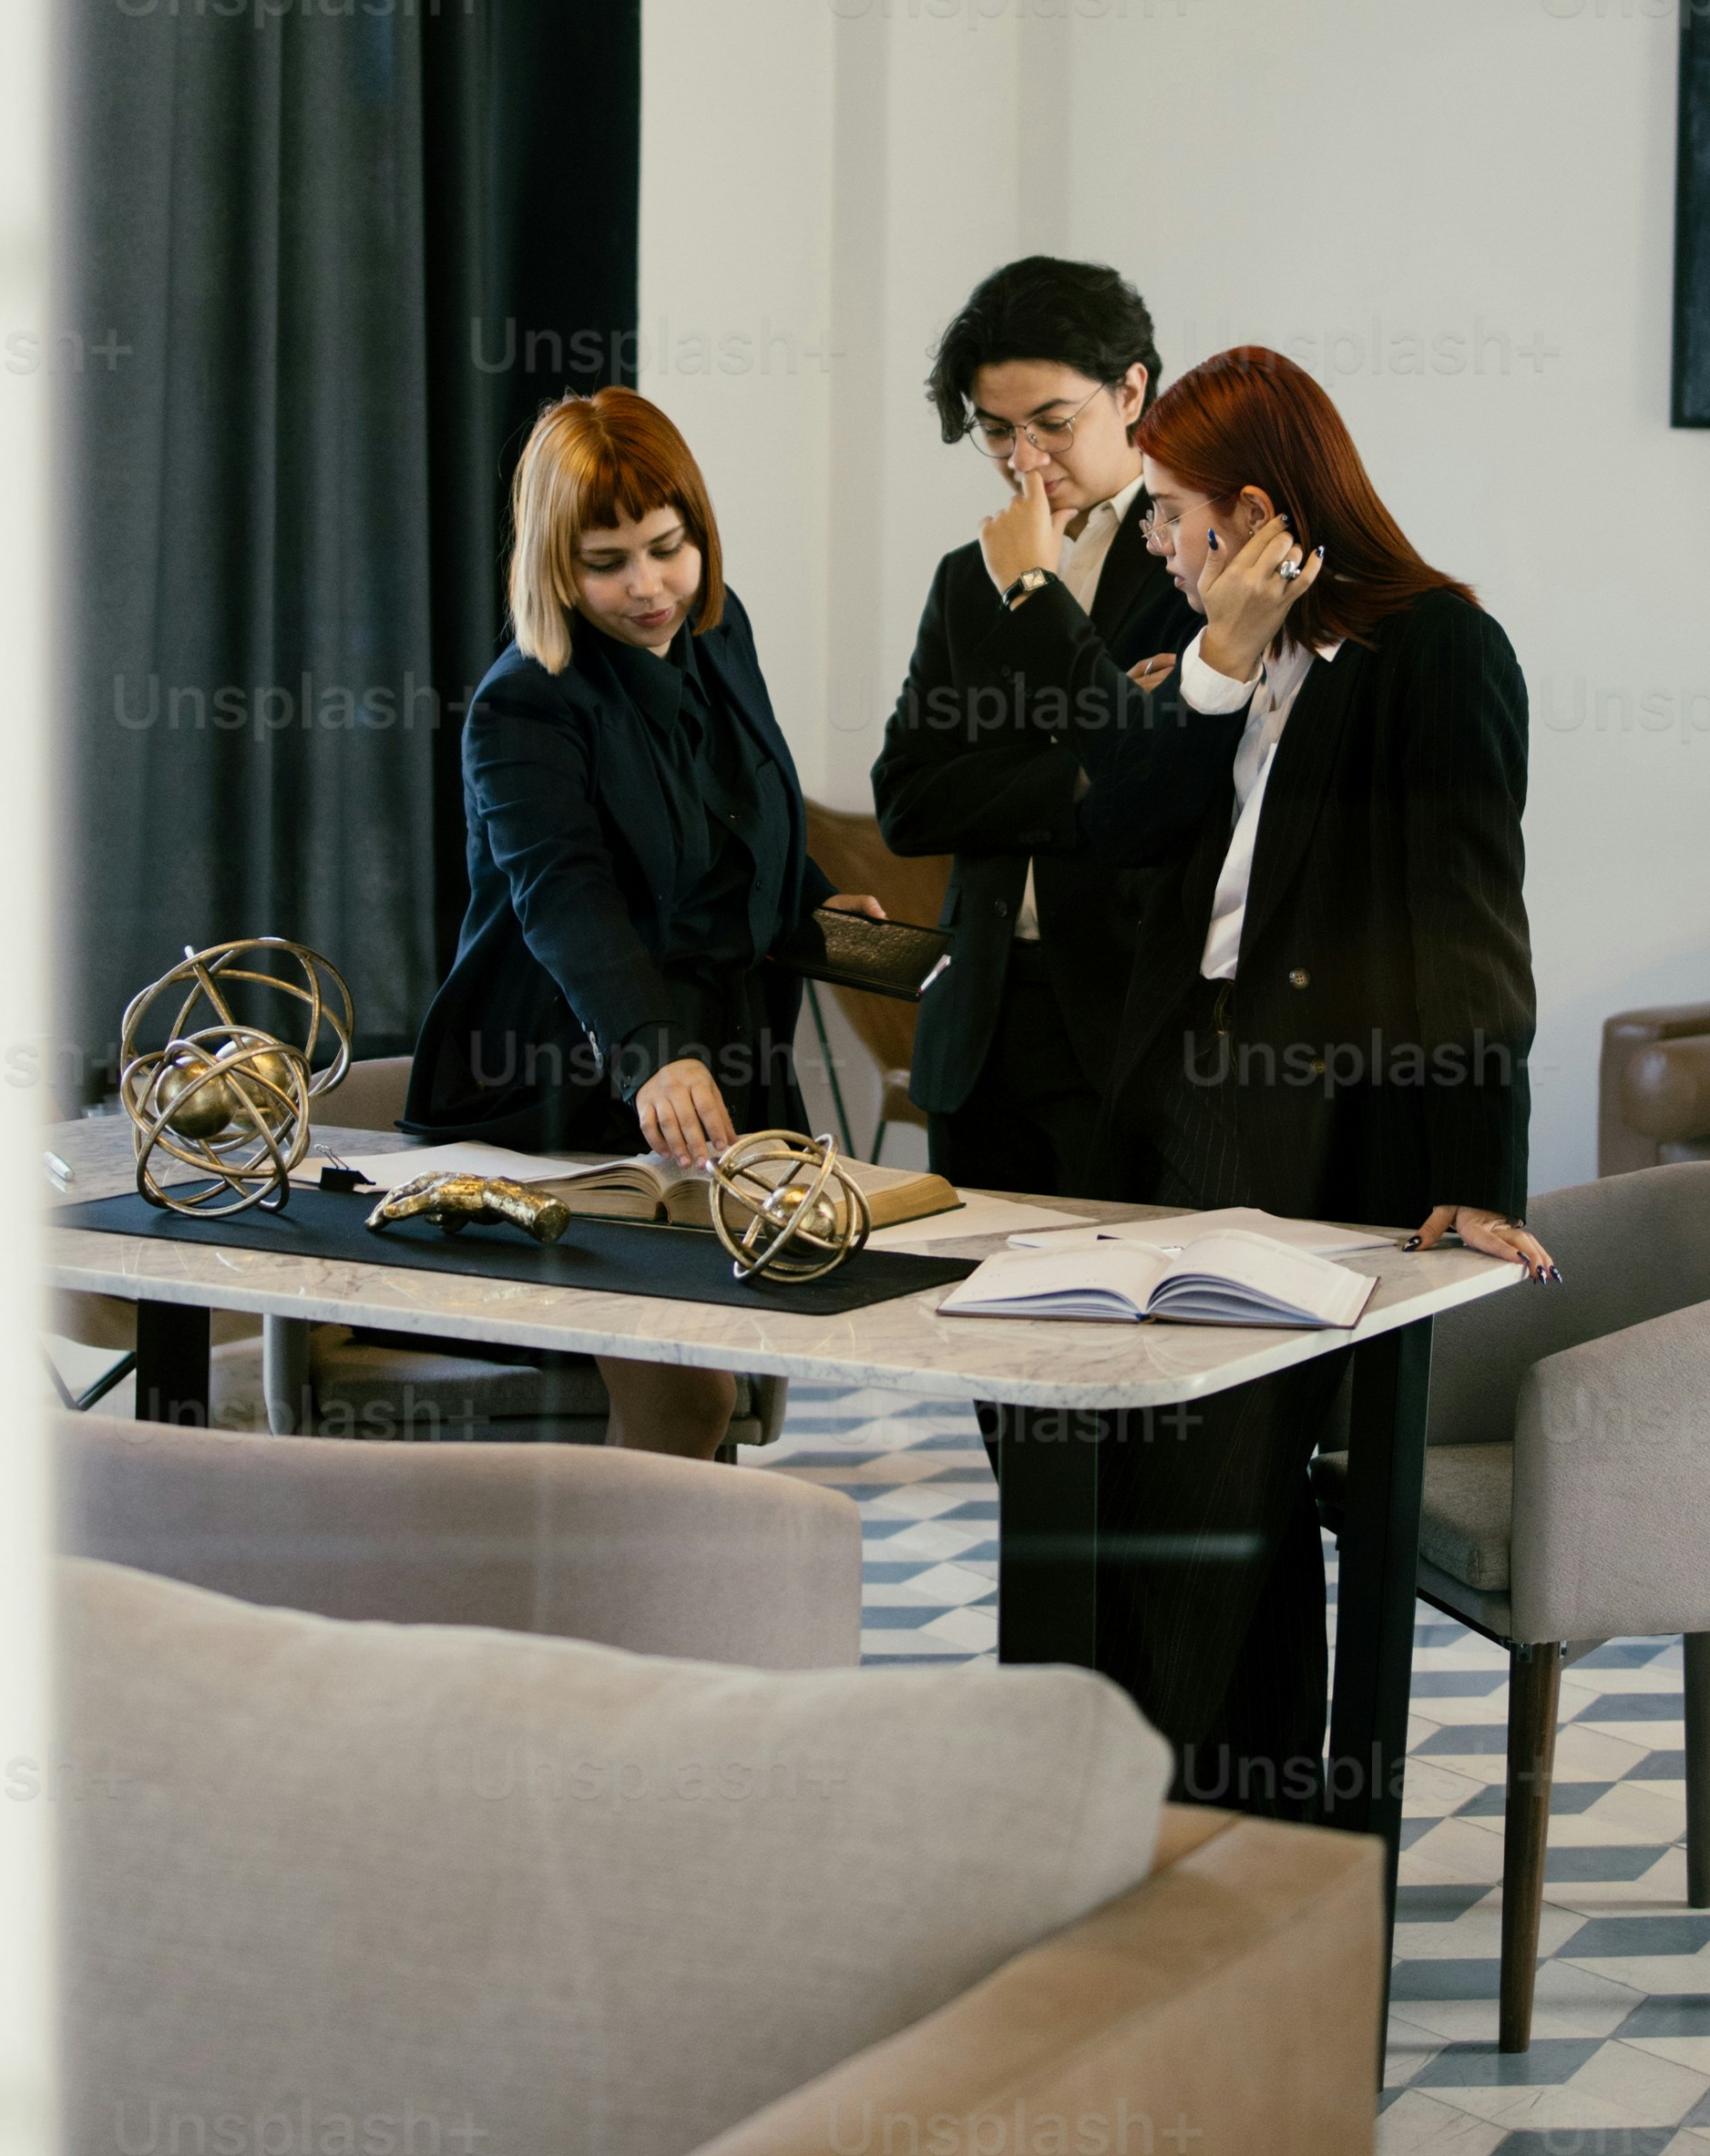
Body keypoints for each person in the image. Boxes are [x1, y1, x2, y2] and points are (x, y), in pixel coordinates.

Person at [1071, 342, 1551, 1803]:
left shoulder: (1438, 653)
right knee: (1157, 1479)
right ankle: (1228, 1817)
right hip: (1169, 1098)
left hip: (1308, 1111)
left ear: (1259, 509)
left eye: (1169, 507)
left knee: (1209, 1477)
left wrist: (1475, 1182)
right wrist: (1212, 666)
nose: (1150, 535)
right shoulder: (1195, 631)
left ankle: (1204, 1836)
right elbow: (1113, 840)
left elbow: (1471, 932)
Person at [404, 386, 860, 1461]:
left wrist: (812, 897)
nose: (648, 586)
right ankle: (623, 1629)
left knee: (722, 1369)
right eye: (607, 562)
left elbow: (740, 805)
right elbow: (564, 895)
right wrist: (651, 1055)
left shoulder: (718, 625)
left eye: (666, 547)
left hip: (720, 1059)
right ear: (553, 565)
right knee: (686, 1400)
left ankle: (677, 1618)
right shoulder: (524, 704)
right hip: (569, 1081)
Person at [869, 256, 1191, 1197]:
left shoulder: (1196, 558)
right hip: (980, 1020)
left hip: (1129, 1015)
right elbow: (907, 801)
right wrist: (1082, 770)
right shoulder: (963, 576)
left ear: (1130, 389)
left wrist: (1036, 593)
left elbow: (1169, 784)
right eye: (996, 430)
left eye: (1053, 421)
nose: (1025, 458)